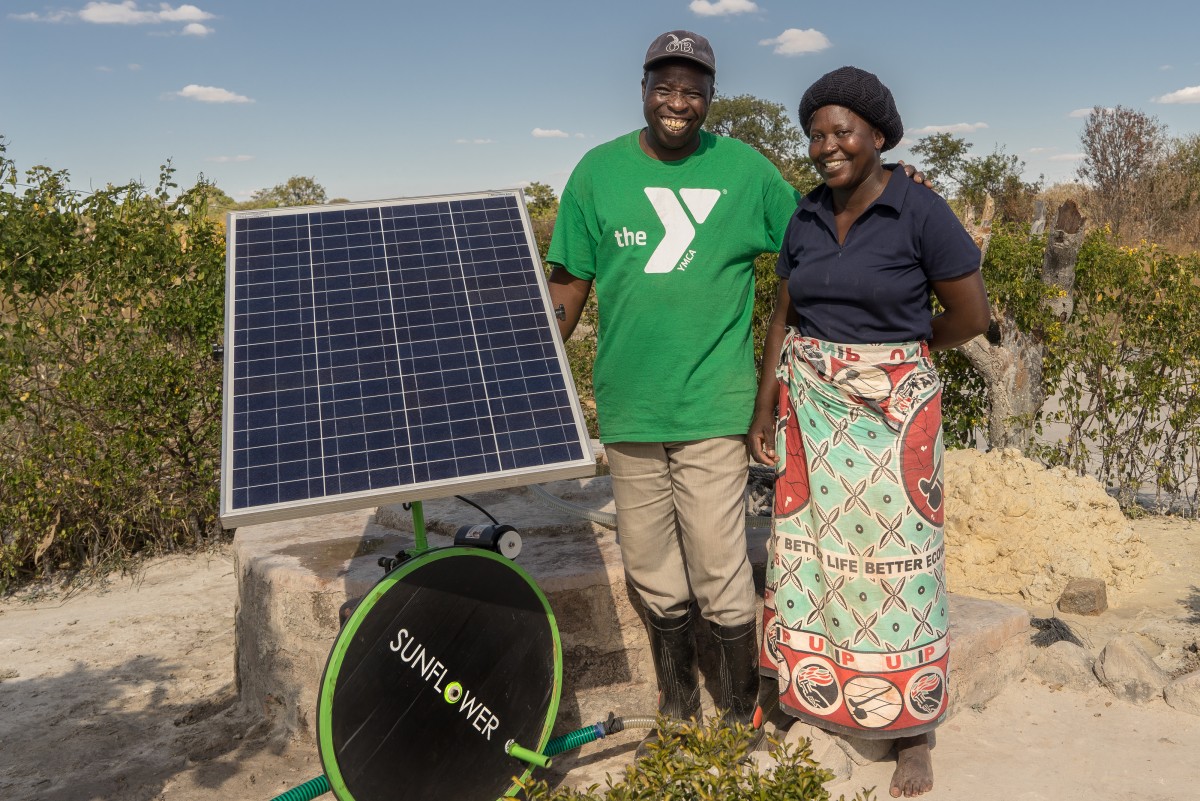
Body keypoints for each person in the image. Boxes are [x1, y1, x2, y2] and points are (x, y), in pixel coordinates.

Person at [546, 32, 928, 754]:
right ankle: (679, 704)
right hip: (629, 408)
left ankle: (741, 708)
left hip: (713, 406)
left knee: (721, 565)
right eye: (665, 86)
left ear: (710, 97)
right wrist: (527, 363)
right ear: (643, 88)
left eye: (693, 89)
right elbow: (568, 283)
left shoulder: (745, 171)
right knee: (653, 565)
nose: (678, 102)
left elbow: (817, 230)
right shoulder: (597, 174)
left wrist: (895, 186)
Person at [747, 66, 991, 797]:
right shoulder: (805, 216)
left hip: (892, 417)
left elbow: (970, 317)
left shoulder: (920, 211)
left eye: (842, 130)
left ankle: (910, 732)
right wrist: (764, 409)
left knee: (902, 568)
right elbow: (784, 316)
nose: (827, 145)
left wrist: (897, 360)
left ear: (878, 135)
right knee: (806, 558)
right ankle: (799, 694)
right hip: (811, 408)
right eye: (817, 133)